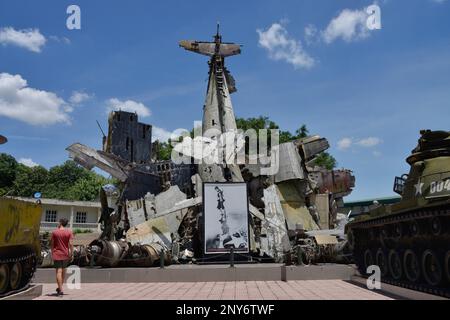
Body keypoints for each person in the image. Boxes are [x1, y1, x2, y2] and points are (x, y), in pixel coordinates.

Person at [51, 218, 74, 296]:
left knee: (58, 272)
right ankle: (60, 288)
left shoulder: (54, 232)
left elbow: (52, 244)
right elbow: (70, 244)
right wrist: (72, 253)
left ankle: (60, 289)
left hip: (57, 254)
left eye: (58, 222)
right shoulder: (69, 232)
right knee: (63, 271)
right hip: (65, 254)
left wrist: (52, 252)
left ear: (60, 223)